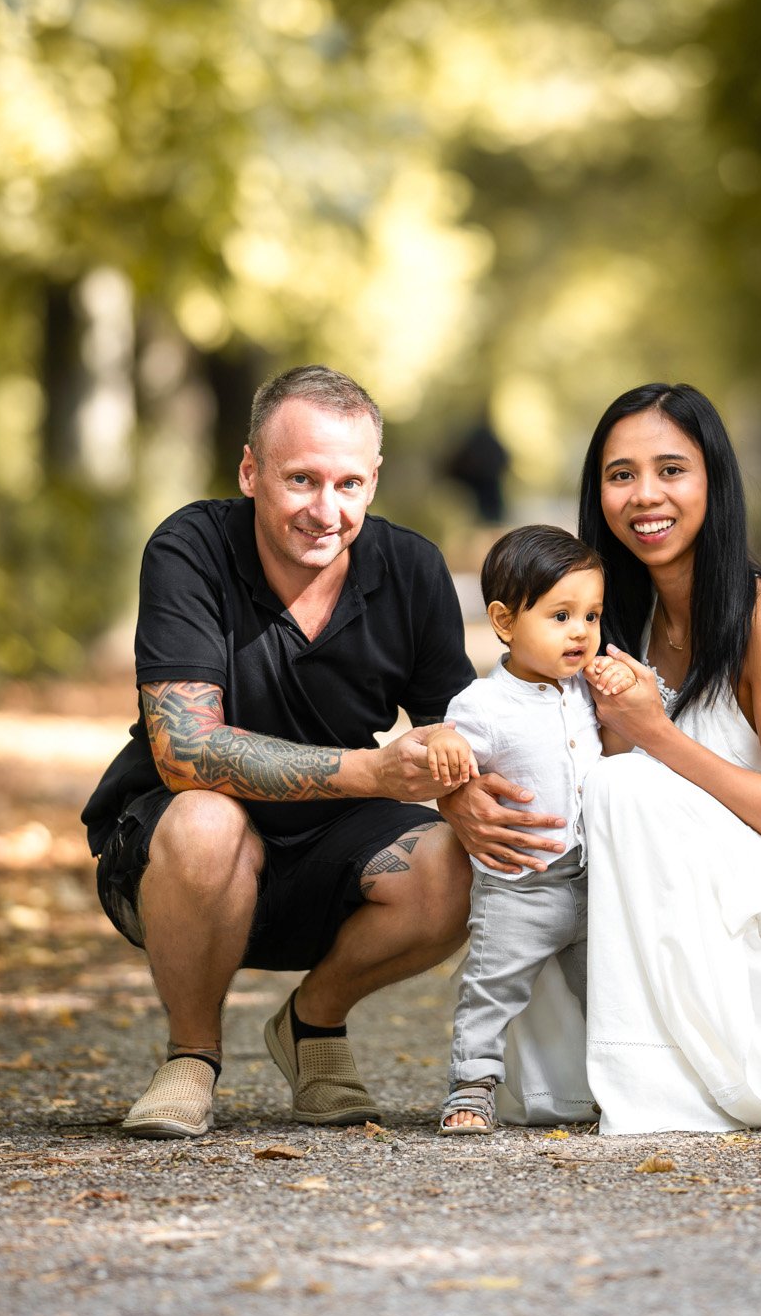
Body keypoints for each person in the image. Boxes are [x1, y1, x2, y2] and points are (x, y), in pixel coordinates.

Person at [80, 365, 569, 1139]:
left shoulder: (410, 567)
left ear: (374, 480)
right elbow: (185, 752)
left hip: (332, 845)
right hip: (173, 848)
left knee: (459, 862)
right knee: (207, 819)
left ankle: (313, 1023)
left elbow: (460, 726)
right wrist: (377, 769)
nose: (325, 509)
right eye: (301, 480)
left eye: (348, 484)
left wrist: (463, 791)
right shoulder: (190, 548)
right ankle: (191, 1056)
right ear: (250, 471)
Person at [500, 381, 761, 1134]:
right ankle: (566, 1082)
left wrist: (656, 732)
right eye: (621, 475)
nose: (646, 495)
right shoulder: (618, 620)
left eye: (671, 470)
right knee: (547, 823)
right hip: (722, 875)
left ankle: (672, 1089)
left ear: (714, 478)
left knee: (627, 791)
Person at [424, 527, 635, 1134]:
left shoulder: (587, 690)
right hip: (520, 887)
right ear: (505, 621)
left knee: (610, 991)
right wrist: (442, 739)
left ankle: (623, 1086)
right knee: (494, 986)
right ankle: (471, 1085)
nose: (582, 631)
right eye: (561, 615)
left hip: (593, 882)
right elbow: (454, 748)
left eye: (592, 615)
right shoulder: (484, 704)